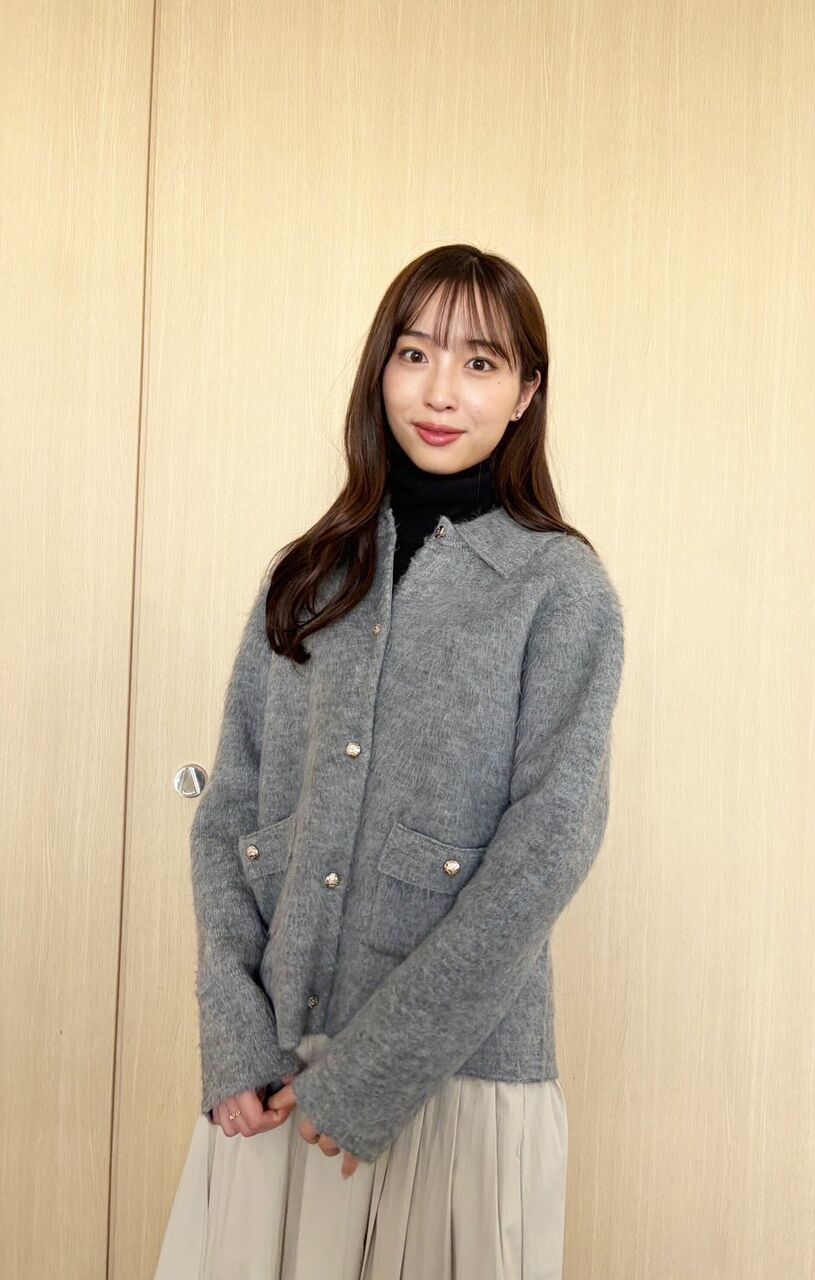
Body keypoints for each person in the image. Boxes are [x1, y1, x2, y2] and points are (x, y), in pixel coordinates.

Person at [155, 243, 625, 1278]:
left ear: (526, 392)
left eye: (480, 362)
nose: (440, 391)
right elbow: (232, 811)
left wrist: (374, 1070)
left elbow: (548, 846)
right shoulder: (305, 575)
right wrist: (233, 1032)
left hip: (458, 1083)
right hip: (274, 1083)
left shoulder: (558, 589)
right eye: (414, 353)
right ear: (380, 369)